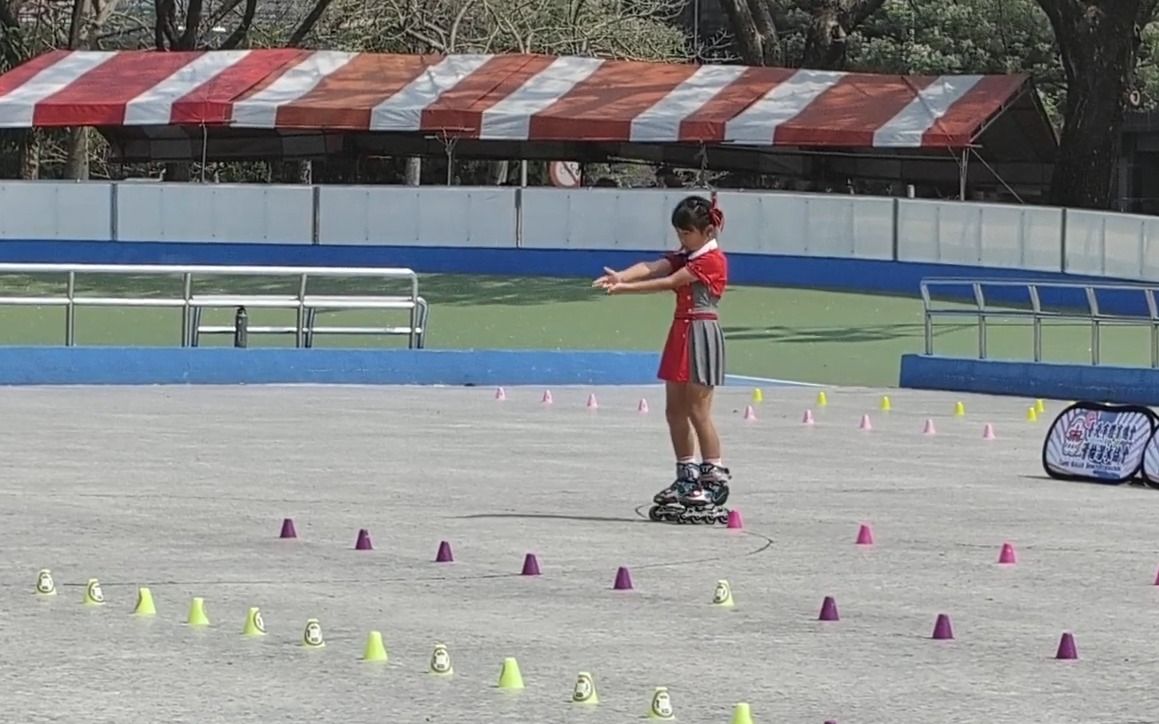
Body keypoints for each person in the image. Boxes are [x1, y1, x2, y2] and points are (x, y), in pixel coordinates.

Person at [592, 193, 730, 514]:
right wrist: (621, 276)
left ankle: (714, 477)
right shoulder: (689, 255)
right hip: (681, 332)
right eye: (679, 234)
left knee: (698, 411)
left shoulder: (711, 260)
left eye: (687, 233)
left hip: (701, 332)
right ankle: (686, 475)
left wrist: (625, 290)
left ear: (707, 232)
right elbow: (653, 266)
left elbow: (669, 281)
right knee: (674, 410)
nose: (682, 239)